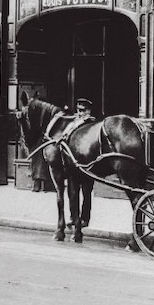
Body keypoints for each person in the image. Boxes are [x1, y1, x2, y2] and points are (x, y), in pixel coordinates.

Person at [65, 97, 96, 228]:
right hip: (74, 164)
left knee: (86, 192)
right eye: (78, 110)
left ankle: (85, 218)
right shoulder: (75, 122)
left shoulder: (89, 123)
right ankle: (74, 217)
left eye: (83, 110)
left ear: (88, 111)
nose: (80, 113)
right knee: (73, 192)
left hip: (86, 165)